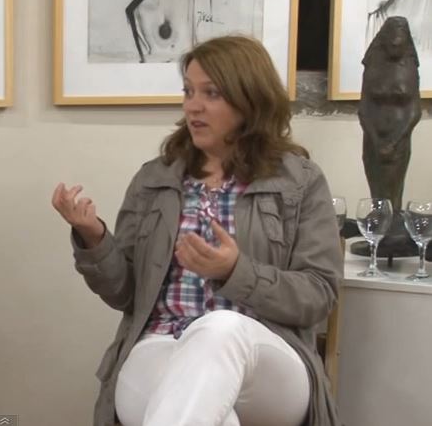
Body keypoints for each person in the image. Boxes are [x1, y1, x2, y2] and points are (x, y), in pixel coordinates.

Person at [52, 36, 342, 426]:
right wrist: (94, 238)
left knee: (219, 329)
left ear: (249, 98)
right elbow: (126, 294)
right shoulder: (154, 179)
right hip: (160, 345)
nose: (193, 106)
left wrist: (234, 272)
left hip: (265, 355)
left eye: (211, 93)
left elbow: (318, 296)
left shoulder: (300, 182)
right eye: (188, 91)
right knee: (214, 414)